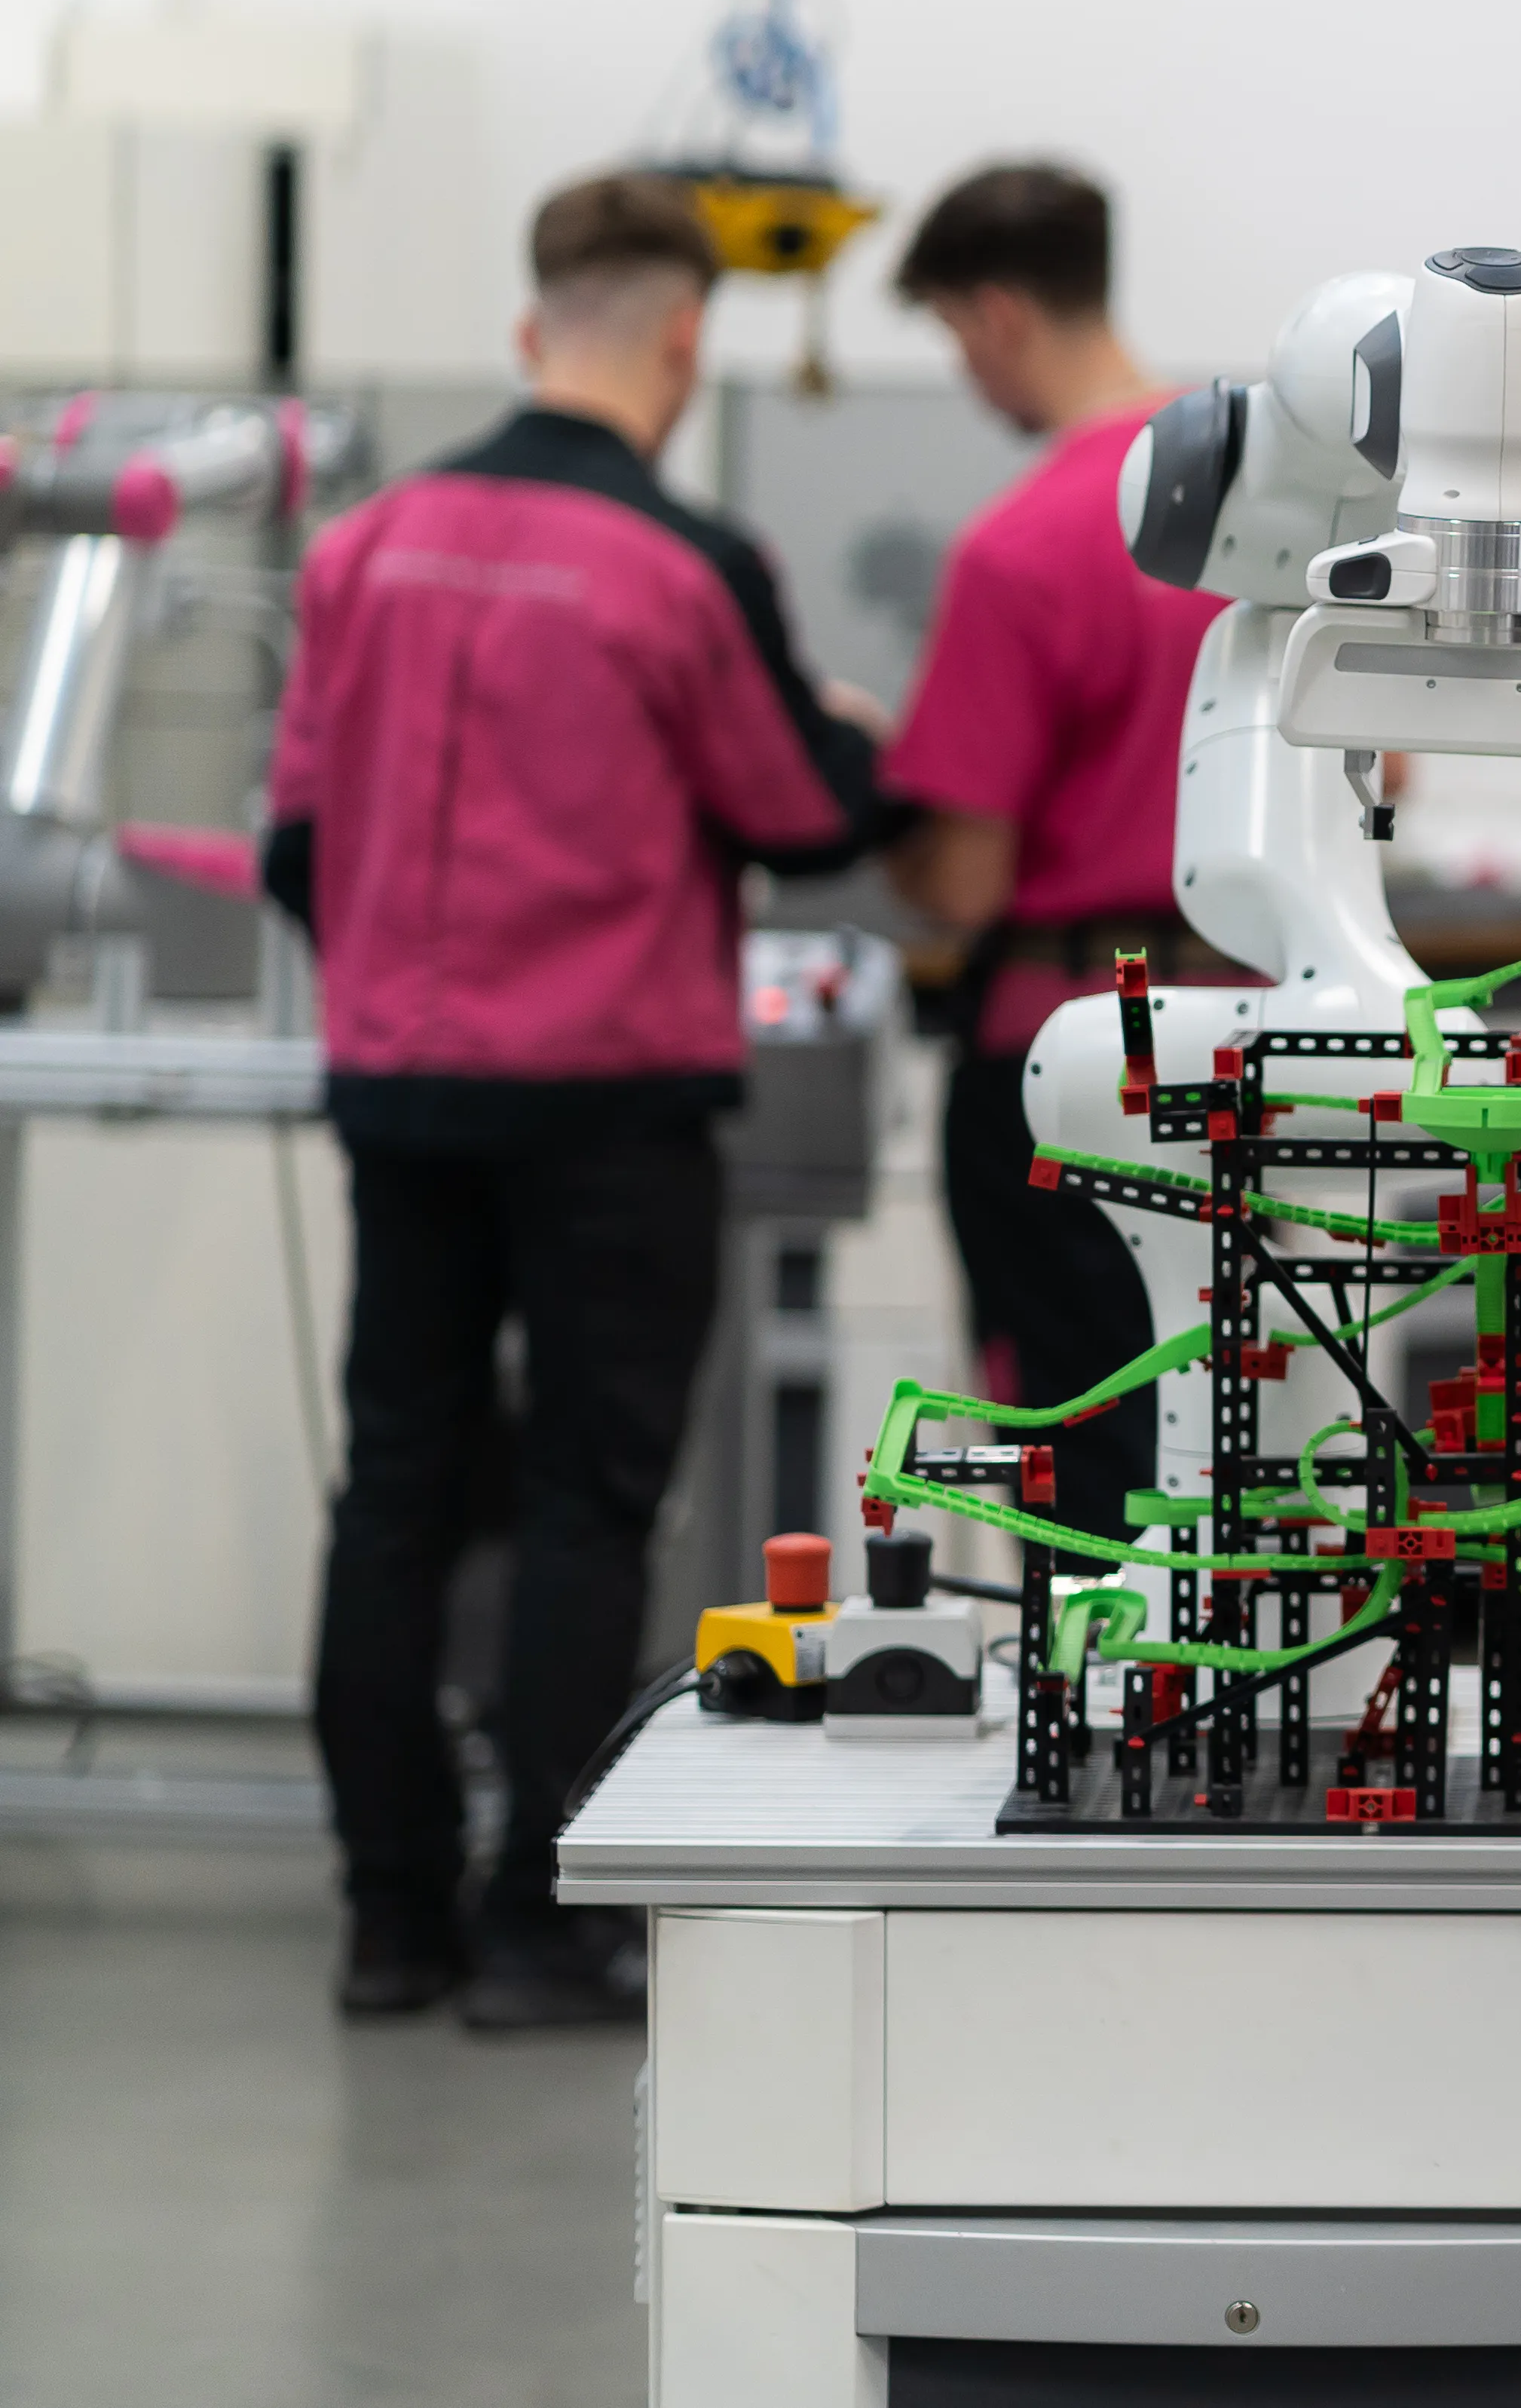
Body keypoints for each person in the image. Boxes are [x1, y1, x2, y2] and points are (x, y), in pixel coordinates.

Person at [266, 170, 887, 2025]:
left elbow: (296, 836)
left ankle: (389, 1920)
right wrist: (845, 725)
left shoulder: (363, 546)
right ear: (688, 340)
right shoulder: (686, 567)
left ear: (536, 324)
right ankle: (539, 1924)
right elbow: (806, 814)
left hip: (401, 1088)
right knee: (582, 1503)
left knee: (390, 1489)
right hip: (609, 1100)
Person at [877, 163, 1224, 1546]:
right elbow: (1381, 771)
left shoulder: (1021, 547)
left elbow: (962, 881)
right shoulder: (1277, 520)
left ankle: (1087, 1738)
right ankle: (1212, 1718)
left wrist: (877, 806)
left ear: (1000, 313)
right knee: (1226, 1421)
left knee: (1076, 1452)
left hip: (1062, 1068)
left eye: (955, 335)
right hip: (1247, 1049)